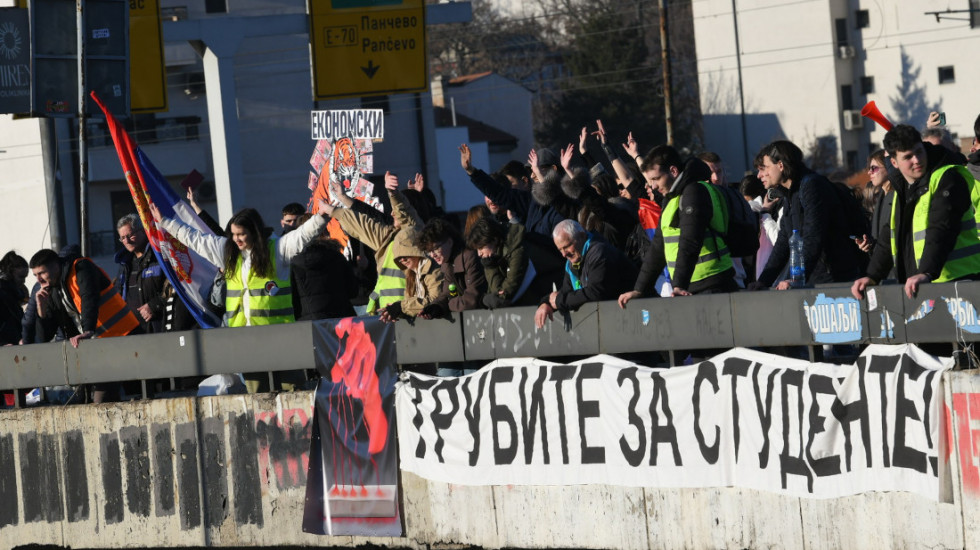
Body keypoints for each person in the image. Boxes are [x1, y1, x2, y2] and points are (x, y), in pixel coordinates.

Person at [852, 124, 980, 300]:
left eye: (919, 152)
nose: (917, 160)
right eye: (908, 157)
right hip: (923, 286)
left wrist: (926, 272)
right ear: (894, 163)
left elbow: (942, 228)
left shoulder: (948, 177)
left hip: (960, 284)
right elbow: (889, 237)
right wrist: (872, 275)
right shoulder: (902, 189)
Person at [619, 148, 737, 308]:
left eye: (656, 178)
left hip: (711, 283)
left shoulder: (694, 191)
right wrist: (639, 290)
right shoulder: (672, 198)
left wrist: (679, 285)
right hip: (691, 286)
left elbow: (690, 240)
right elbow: (657, 248)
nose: (653, 186)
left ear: (673, 171)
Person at [324, 172, 443, 323]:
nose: (392, 212)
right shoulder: (388, 235)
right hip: (387, 313)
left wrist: (395, 193)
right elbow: (365, 219)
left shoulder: (421, 238)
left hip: (412, 313)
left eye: (395, 210)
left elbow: (405, 213)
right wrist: (339, 203)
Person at [30, 248, 142, 402]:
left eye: (41, 273)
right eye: (35, 275)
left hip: (125, 336)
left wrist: (88, 330)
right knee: (100, 398)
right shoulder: (53, 290)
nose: (39, 280)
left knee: (135, 393)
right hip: (99, 347)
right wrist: (41, 308)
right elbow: (44, 336)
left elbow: (89, 298)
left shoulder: (81, 268)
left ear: (56, 266)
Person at [754, 140, 861, 289]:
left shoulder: (811, 186)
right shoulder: (789, 194)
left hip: (833, 280)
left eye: (763, 168)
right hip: (813, 278)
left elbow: (813, 236)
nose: (759, 175)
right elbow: (783, 241)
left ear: (780, 165)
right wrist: (763, 281)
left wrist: (796, 278)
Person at [535, 220, 637, 329]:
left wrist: (559, 301)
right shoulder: (572, 262)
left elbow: (595, 292)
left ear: (582, 236)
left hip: (634, 319)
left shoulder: (600, 252)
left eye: (567, 246)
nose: (564, 254)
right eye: (560, 249)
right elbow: (567, 292)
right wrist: (546, 303)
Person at [415, 217, 487, 317]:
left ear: (449, 242)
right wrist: (436, 307)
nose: (432, 255)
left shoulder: (470, 257)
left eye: (435, 248)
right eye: (428, 251)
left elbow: (472, 298)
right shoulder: (448, 262)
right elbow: (447, 293)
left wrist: (448, 305)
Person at [290, 216, 358, 321]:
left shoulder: (293, 262)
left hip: (309, 322)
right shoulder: (336, 256)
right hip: (342, 319)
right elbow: (353, 291)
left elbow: (293, 298)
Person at [466, 216, 536, 308]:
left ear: (494, 240)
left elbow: (503, 296)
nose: (479, 254)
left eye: (481, 248)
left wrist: (486, 299)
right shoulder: (494, 254)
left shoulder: (517, 250)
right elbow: (496, 294)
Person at [114, 214, 167, 333]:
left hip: (159, 330)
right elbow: (118, 295)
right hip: (132, 332)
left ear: (143, 231)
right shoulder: (124, 264)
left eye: (130, 235)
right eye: (122, 238)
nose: (126, 241)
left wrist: (155, 306)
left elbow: (176, 289)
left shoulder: (159, 257)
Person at [0, 251, 28, 345]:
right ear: (9, 274)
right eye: (21, 277)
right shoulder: (4, 294)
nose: (23, 281)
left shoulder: (14, 295)